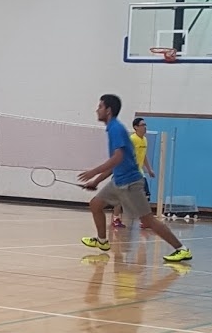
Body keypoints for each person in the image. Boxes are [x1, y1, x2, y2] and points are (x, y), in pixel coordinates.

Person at [77, 94, 191, 263]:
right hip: (118, 181)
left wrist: (93, 172)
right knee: (95, 204)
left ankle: (181, 249)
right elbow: (117, 163)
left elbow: (118, 157)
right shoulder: (112, 128)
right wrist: (96, 181)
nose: (97, 110)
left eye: (100, 106)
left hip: (130, 183)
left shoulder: (116, 128)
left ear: (108, 110)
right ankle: (102, 241)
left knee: (148, 220)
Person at [113, 117, 156, 229]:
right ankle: (116, 219)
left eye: (145, 125)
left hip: (138, 173)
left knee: (145, 196)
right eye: (142, 125)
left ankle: (144, 220)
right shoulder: (132, 139)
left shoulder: (145, 140)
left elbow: (144, 155)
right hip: (126, 172)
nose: (145, 127)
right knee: (120, 197)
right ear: (136, 127)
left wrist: (149, 169)